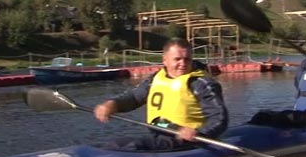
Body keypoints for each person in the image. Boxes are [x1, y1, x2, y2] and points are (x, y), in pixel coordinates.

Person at [93, 38, 229, 151]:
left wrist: (201, 133)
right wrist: (112, 104)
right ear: (165, 60)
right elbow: (134, 97)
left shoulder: (201, 83)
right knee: (117, 143)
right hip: (163, 128)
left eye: (187, 59)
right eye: (177, 59)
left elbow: (219, 118)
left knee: (135, 146)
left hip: (189, 139)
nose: (182, 64)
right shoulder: (156, 78)